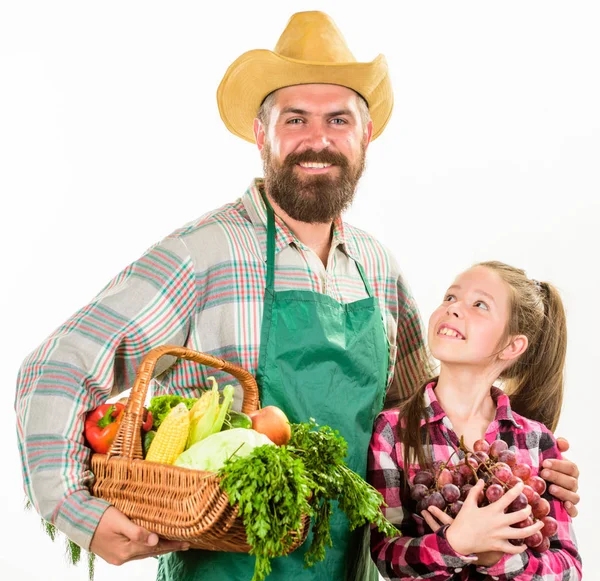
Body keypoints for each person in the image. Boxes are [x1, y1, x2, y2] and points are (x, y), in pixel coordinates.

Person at [14, 11, 580, 581]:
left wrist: (528, 470)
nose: (318, 139)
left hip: (350, 570)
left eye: (338, 119)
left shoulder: (375, 267)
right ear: (263, 135)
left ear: (366, 135)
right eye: (295, 118)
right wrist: (76, 511)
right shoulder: (205, 254)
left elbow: (423, 425)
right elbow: (55, 368)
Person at [368, 261, 582, 580]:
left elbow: (568, 567)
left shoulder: (538, 441)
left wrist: (496, 557)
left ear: (512, 346)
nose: (453, 309)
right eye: (450, 297)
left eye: (479, 304)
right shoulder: (392, 431)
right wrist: (454, 544)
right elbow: (386, 554)